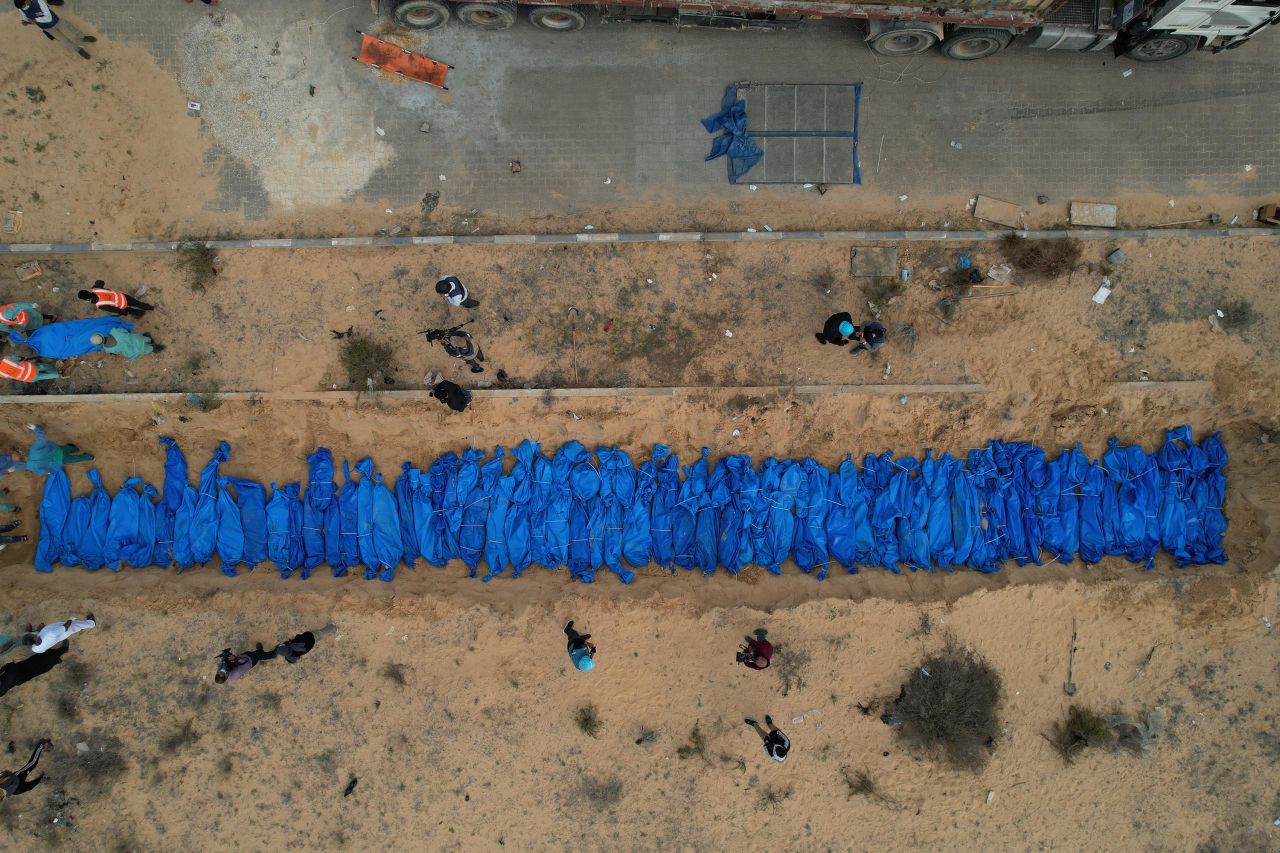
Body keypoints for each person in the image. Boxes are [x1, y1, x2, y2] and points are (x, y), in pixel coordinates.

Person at [15, 0, 95, 60]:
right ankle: (79, 50)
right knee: (63, 40)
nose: (24, 8)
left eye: (24, 6)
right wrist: (26, 22)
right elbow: (26, 18)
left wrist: (35, 20)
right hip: (47, 28)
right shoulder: (21, 9)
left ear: (26, 1)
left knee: (70, 28)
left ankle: (83, 37)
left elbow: (48, 17)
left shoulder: (39, 2)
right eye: (22, 8)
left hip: (56, 21)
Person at [0, 641, 67, 697]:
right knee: (39, 664)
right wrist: (9, 666)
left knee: (36, 662)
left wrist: (6, 667)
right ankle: (63, 650)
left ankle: (56, 659)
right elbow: (8, 681)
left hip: (17, 675)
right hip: (17, 674)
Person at [22, 425, 93, 474]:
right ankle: (75, 448)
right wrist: (35, 429)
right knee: (67, 448)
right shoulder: (33, 451)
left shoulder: (30, 467)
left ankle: (90, 457)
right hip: (57, 450)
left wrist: (49, 472)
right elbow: (41, 439)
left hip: (58, 461)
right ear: (24, 454)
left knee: (76, 458)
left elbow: (43, 471)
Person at [23, 613, 95, 653]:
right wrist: (71, 618)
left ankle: (80, 628)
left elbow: (42, 648)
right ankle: (92, 623)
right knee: (75, 625)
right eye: (32, 634)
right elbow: (66, 627)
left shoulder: (35, 649)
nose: (32, 633)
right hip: (64, 631)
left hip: (58, 636)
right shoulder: (50, 634)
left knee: (76, 627)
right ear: (35, 638)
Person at [77, 282, 154, 317]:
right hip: (123, 297)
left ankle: (140, 313)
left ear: (87, 299)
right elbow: (100, 281)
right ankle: (150, 307)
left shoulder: (99, 305)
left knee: (131, 310)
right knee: (136, 303)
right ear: (88, 291)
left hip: (122, 305)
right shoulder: (96, 288)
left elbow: (114, 310)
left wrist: (124, 313)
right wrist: (94, 287)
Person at [89, 330, 164, 360]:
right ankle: (150, 339)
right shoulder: (114, 331)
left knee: (147, 348)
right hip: (135, 339)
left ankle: (157, 348)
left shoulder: (108, 349)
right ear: (102, 335)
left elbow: (116, 351)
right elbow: (125, 331)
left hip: (133, 350)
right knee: (143, 338)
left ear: (100, 344)